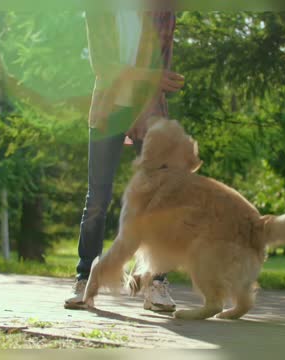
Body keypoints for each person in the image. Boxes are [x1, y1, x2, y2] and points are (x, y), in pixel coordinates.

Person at [64, 8, 185, 311]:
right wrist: (150, 77)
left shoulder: (163, 9)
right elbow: (104, 67)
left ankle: (155, 282)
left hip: (149, 110)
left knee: (161, 198)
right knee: (97, 199)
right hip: (109, 111)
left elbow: (163, 70)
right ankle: (84, 278)